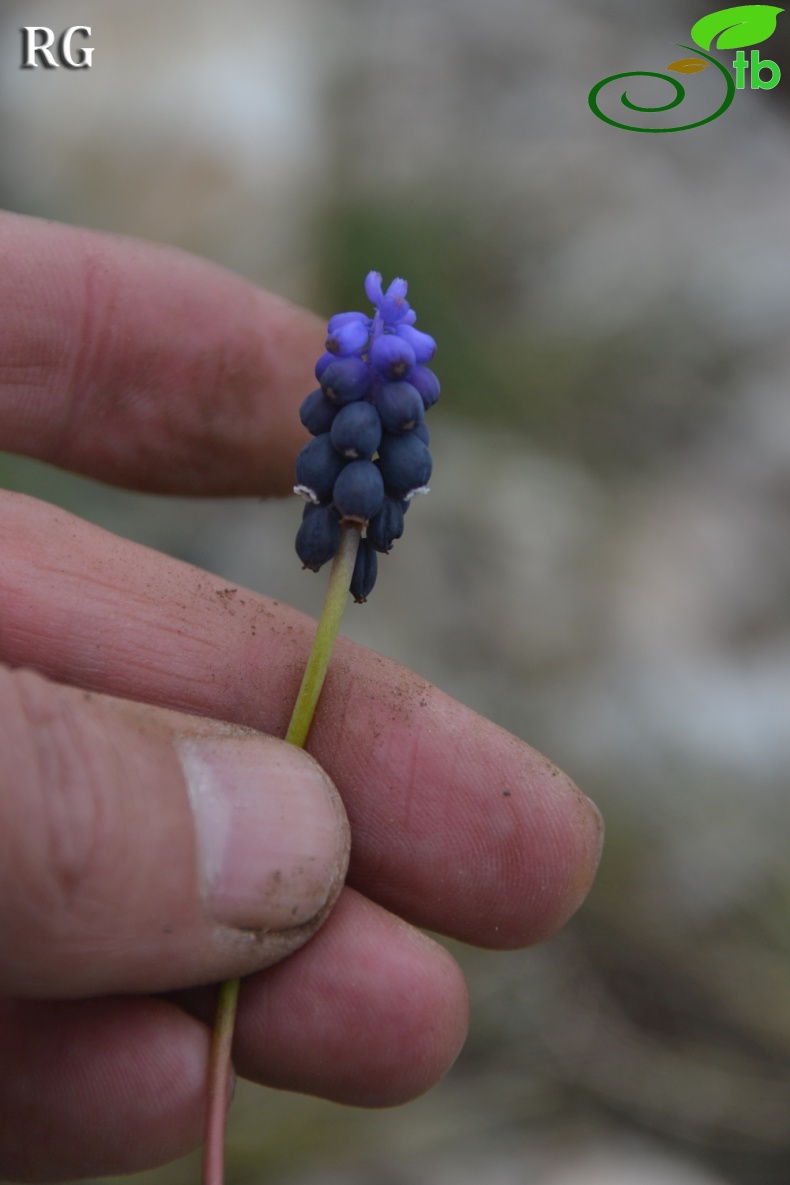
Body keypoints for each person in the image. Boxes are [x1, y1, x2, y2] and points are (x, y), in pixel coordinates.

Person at [0, 211, 603, 1182]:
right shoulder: (352, 400)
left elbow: (385, 421)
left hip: (364, 455)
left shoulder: (376, 414)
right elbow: (355, 415)